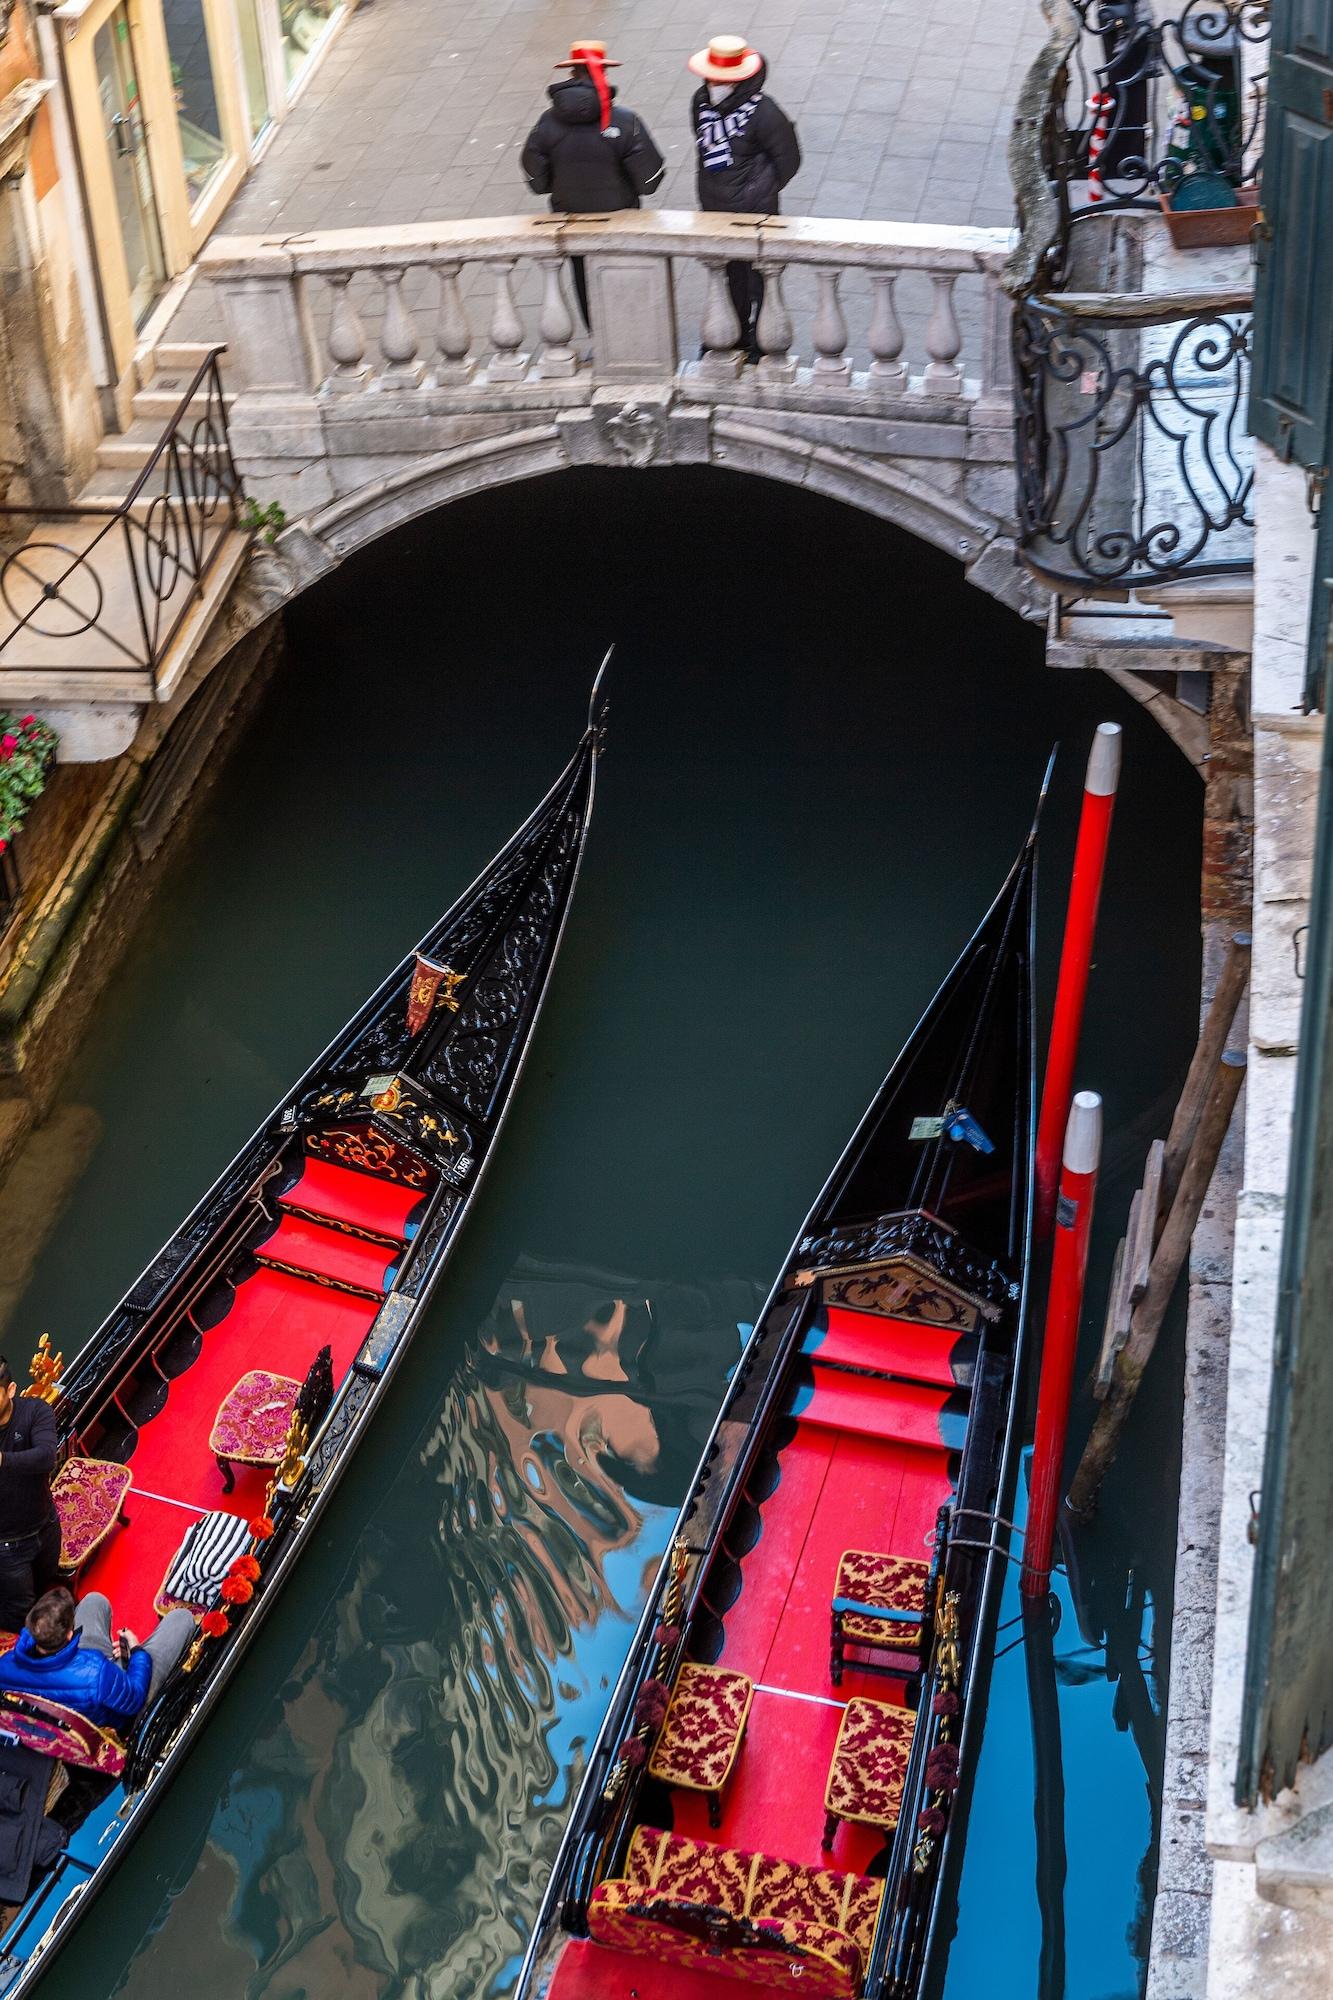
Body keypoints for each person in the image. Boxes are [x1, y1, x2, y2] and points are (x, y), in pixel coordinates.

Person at [521, 41, 665, 329]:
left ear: (572, 73)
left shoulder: (547, 122)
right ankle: (632, 338)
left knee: (584, 281)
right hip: (621, 218)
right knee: (625, 279)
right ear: (603, 74)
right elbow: (649, 180)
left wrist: (555, 185)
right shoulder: (624, 121)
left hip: (572, 221)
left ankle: (599, 338)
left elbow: (535, 177)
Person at [687, 35, 801, 361]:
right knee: (728, 275)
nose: (713, 83)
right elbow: (701, 140)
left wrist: (759, 188)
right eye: (711, 77)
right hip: (714, 206)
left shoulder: (766, 113)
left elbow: (788, 160)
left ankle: (762, 339)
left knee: (759, 277)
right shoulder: (700, 101)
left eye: (720, 78)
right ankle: (731, 333)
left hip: (756, 210)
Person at [0, 1588, 194, 1729]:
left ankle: (117, 1662)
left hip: (78, 1680)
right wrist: (137, 1651)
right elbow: (134, 1698)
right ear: (69, 1635)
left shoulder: (4, 1665)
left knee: (94, 1600)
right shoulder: (95, 1672)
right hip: (113, 1715)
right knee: (181, 1618)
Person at [0, 1360, 61, 1633]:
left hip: (45, 1524)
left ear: (10, 1390)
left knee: (45, 1582)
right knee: (19, 1612)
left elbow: (46, 1456)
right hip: (7, 1546)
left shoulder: (36, 1411)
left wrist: (2, 1460)